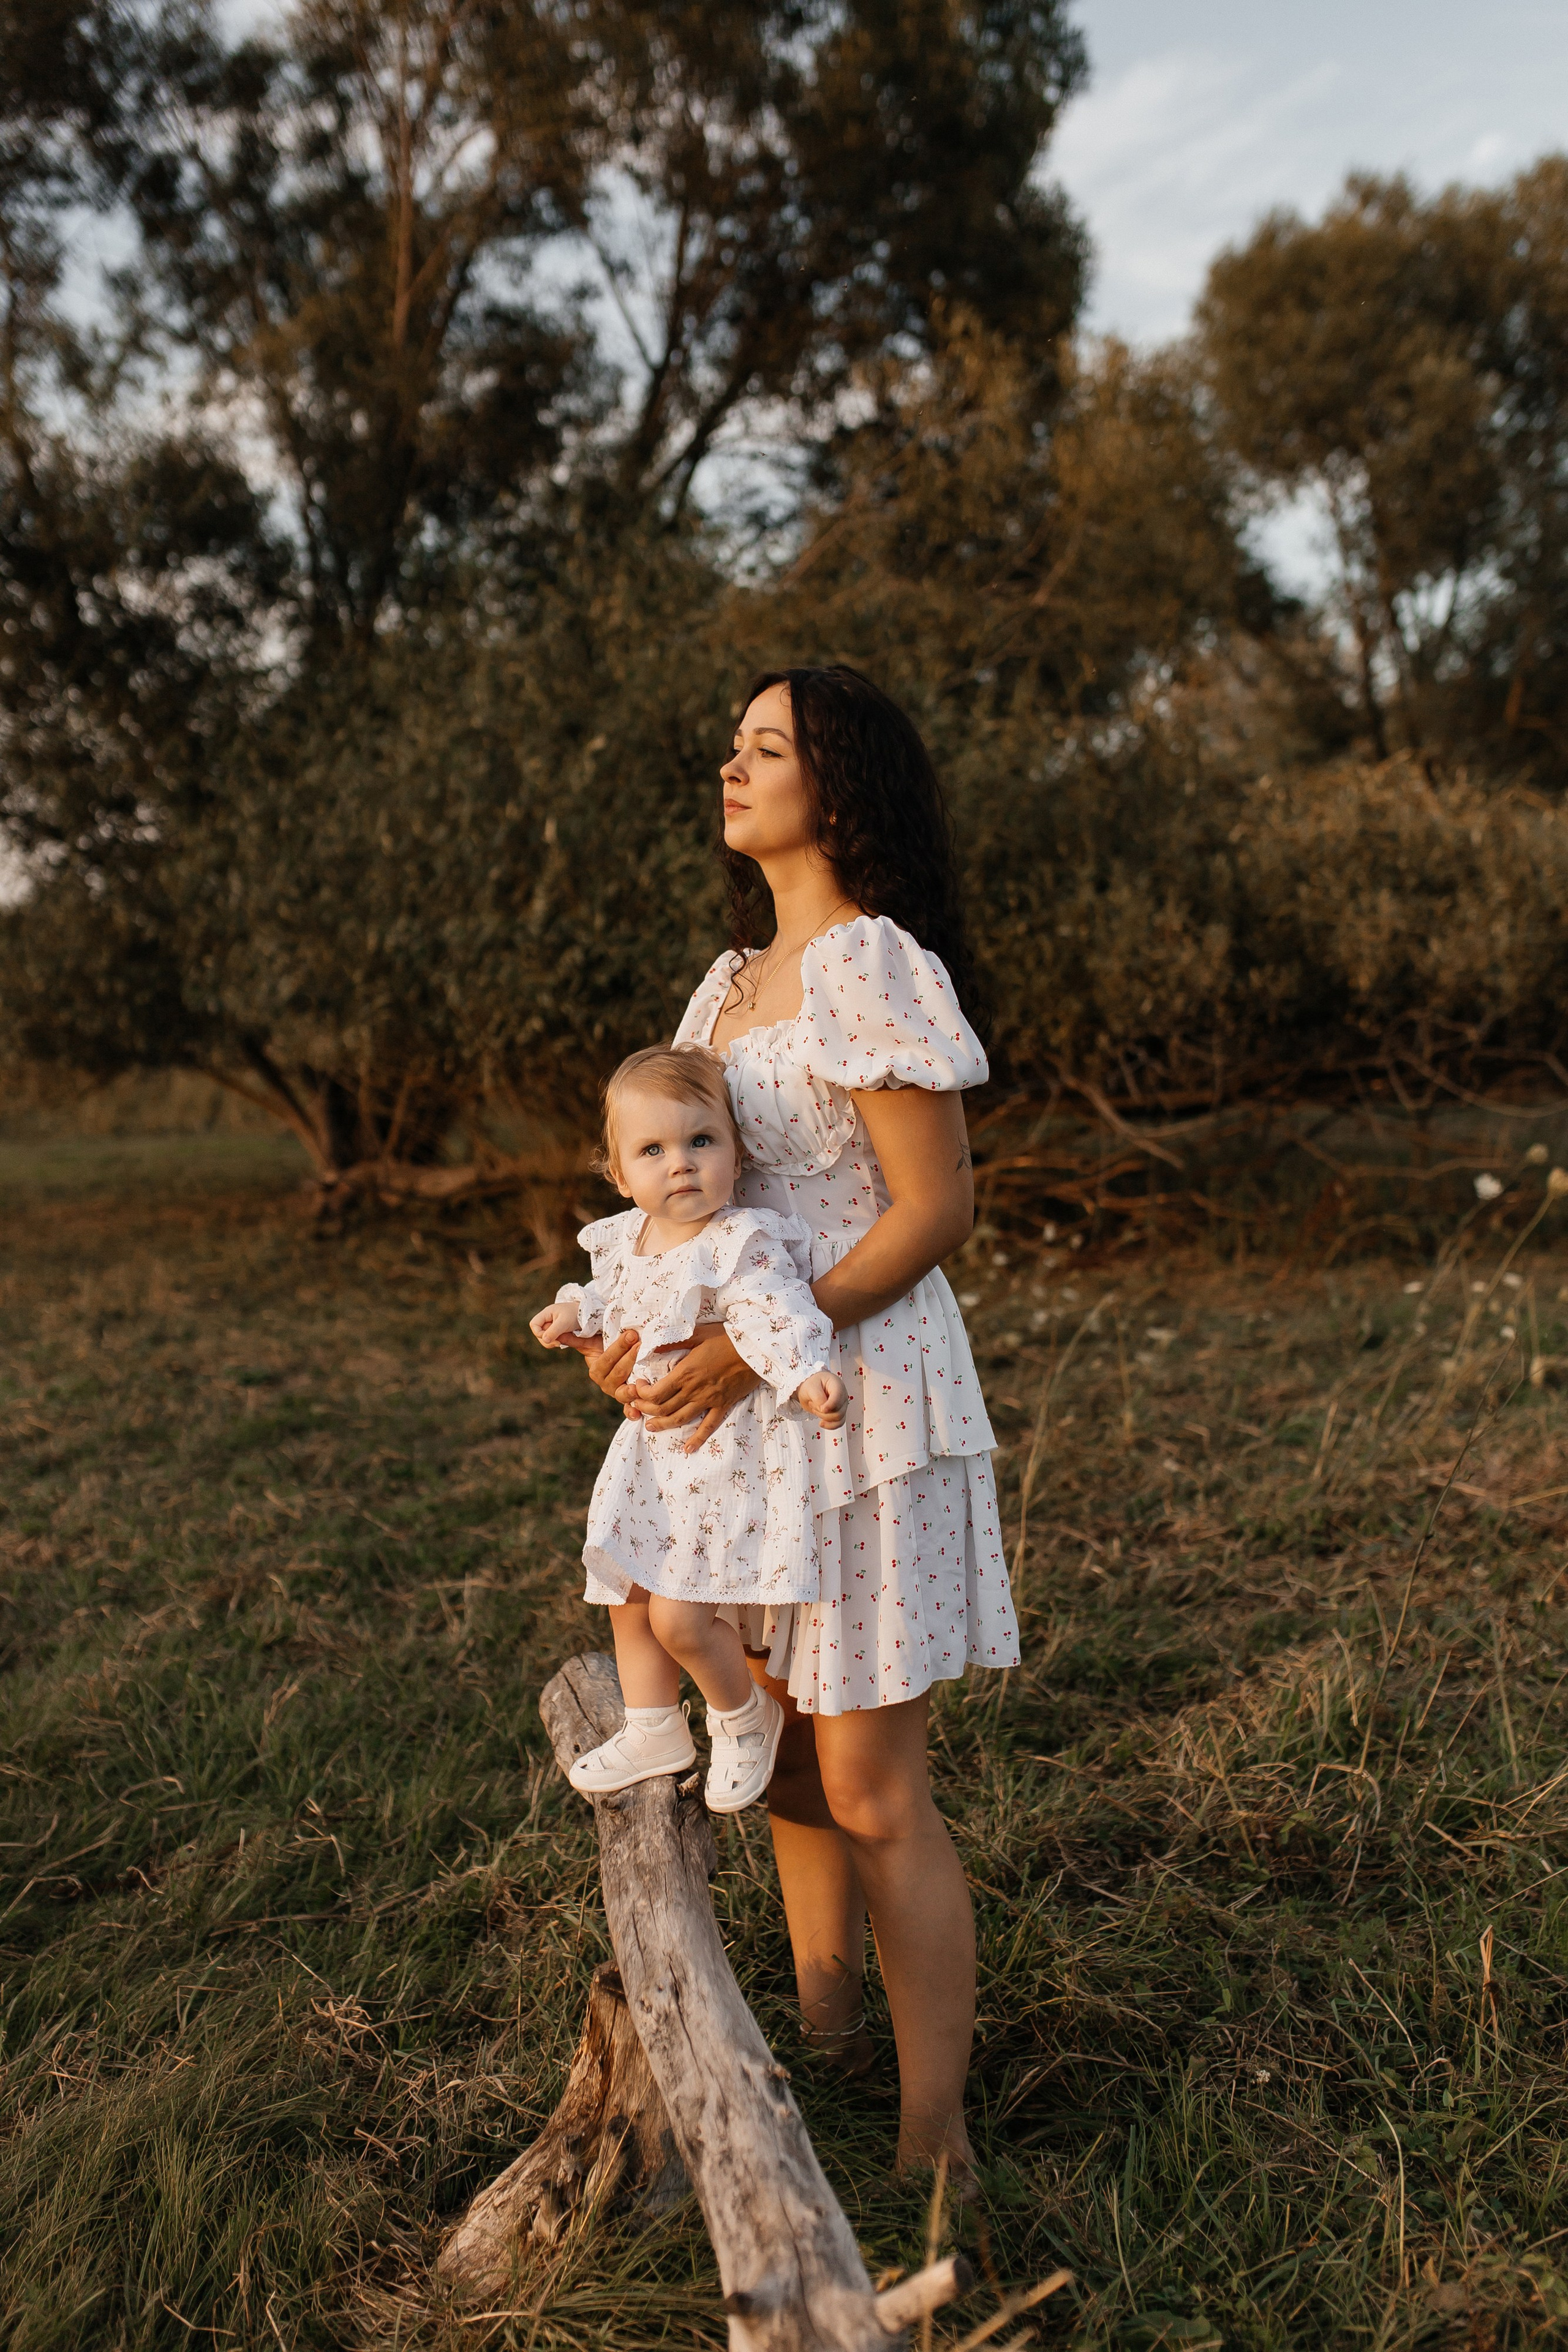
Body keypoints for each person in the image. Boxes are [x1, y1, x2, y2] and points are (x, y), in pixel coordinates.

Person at [576, 665, 1019, 2188]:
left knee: (873, 1782)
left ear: (837, 786)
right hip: (745, 1417)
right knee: (774, 1749)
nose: (731, 762)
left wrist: (767, 1353)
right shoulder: (726, 987)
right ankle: (824, 2027)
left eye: (766, 746)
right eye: (733, 740)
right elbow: (687, 1203)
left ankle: (932, 2132)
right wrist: (641, 1332)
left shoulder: (868, 964)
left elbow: (935, 1204)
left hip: (862, 1390)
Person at [531, 1042, 849, 1812]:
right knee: (630, 1593)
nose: (680, 1164)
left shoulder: (740, 1241)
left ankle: (743, 1717)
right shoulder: (625, 1238)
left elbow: (778, 1315)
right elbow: (605, 1294)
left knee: (680, 1614)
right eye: (653, 1150)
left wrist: (806, 1374)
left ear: (735, 1154)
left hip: (724, 1454)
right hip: (652, 1454)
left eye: (700, 1142)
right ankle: (653, 1727)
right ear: (619, 1173)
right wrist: (573, 1315)